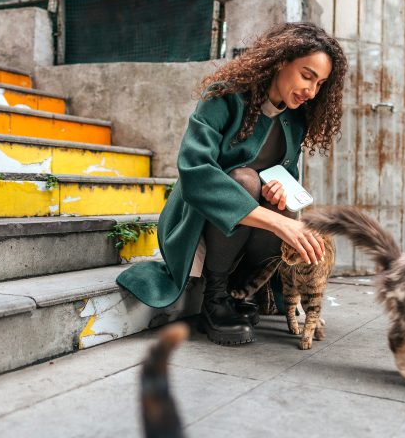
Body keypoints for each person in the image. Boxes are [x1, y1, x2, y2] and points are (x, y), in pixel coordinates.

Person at [116, 22, 347, 346]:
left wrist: (280, 192)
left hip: (249, 236)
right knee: (245, 180)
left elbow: (286, 175)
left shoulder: (295, 118)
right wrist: (276, 220)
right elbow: (195, 173)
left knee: (274, 196)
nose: (311, 90)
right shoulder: (223, 96)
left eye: (320, 83)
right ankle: (216, 297)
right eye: (307, 75)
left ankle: (243, 290)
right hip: (197, 223)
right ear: (281, 61)